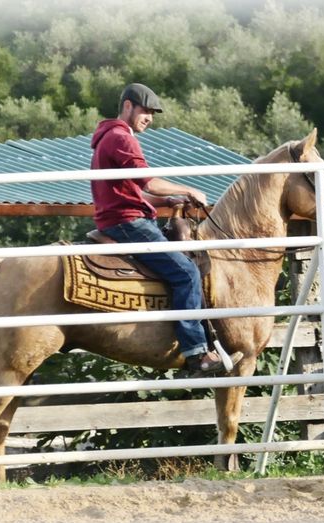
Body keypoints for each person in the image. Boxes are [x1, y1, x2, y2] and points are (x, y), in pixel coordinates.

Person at [90, 82, 238, 374]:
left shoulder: (108, 137)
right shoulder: (122, 137)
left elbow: (134, 191)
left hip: (119, 217)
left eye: (152, 114)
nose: (149, 118)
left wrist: (167, 199)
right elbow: (149, 181)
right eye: (145, 111)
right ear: (128, 106)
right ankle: (197, 352)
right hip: (128, 223)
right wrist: (189, 189)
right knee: (186, 272)